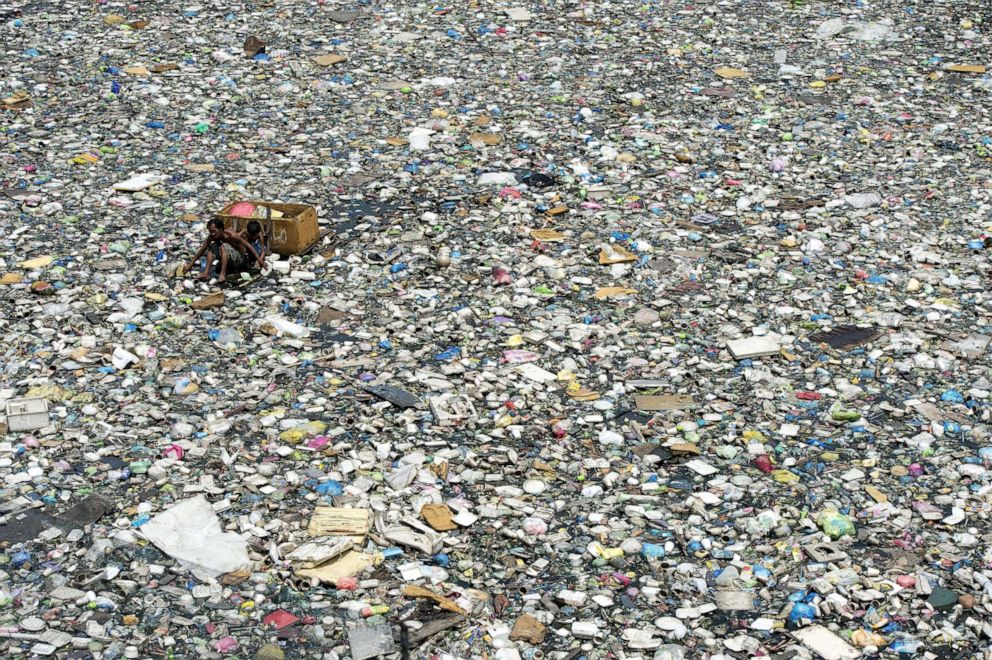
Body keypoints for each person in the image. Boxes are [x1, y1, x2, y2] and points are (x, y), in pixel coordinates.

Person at [186, 218, 264, 283]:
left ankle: (222, 274)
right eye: (210, 231)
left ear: (221, 229)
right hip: (230, 258)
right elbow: (202, 249)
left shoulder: (231, 235)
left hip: (240, 259)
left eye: (214, 231)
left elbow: (248, 246)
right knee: (213, 246)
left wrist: (259, 260)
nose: (212, 234)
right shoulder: (212, 237)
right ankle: (206, 272)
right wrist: (191, 264)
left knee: (223, 246)